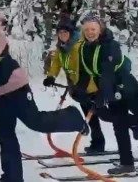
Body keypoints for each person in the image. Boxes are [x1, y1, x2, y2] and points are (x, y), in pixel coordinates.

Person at [0, 0, 86, 182]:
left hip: (14, 87)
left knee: (36, 122)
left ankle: (73, 118)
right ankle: (12, 177)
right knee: (5, 135)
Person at [75, 13, 138, 176]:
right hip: (112, 91)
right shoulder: (84, 48)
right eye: (87, 29)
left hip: (127, 88)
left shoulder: (111, 45)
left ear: (100, 28)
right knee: (119, 126)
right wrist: (81, 91)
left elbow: (107, 72)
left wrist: (102, 94)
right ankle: (127, 164)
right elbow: (86, 73)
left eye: (93, 29)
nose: (90, 32)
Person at [44, 17, 105, 154]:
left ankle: (127, 124)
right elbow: (56, 63)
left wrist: (82, 84)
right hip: (77, 87)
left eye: (65, 32)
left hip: (89, 86)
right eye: (60, 33)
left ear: (71, 33)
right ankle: (98, 143)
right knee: (91, 116)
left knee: (100, 114)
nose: (62, 35)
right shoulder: (61, 48)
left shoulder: (78, 46)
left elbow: (83, 67)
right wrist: (51, 76)